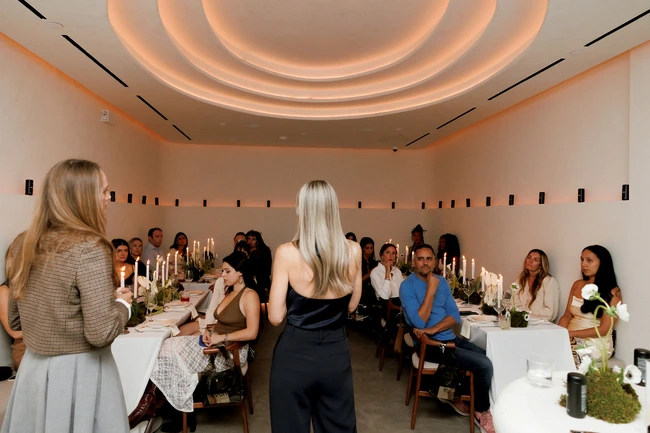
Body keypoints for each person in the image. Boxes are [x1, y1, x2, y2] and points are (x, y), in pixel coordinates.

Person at [2, 159, 133, 433]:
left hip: (33, 369)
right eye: (104, 191)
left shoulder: (22, 243)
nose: (109, 197)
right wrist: (123, 304)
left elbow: (15, 320)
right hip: (81, 370)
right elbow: (100, 333)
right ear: (82, 197)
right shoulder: (91, 247)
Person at [268, 180, 362, 433]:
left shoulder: (286, 252)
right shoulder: (353, 250)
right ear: (333, 209)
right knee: (338, 427)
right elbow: (352, 306)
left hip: (294, 351)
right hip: (335, 351)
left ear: (302, 209)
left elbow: (275, 317)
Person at [151, 252, 259, 420]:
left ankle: (177, 408)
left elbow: (252, 332)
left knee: (168, 351)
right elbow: (224, 322)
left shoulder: (249, 295)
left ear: (240, 273)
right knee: (165, 346)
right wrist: (210, 331)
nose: (223, 275)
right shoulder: (230, 292)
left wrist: (220, 338)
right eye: (222, 271)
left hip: (229, 352)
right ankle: (174, 402)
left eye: (227, 271)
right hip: (215, 342)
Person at [400, 244, 494, 433]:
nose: (425, 263)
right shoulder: (407, 286)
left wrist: (433, 329)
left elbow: (454, 315)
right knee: (484, 364)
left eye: (429, 259)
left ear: (435, 262)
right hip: (430, 346)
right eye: (420, 259)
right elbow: (419, 321)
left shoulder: (442, 282)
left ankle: (454, 393)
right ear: (413, 262)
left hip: (448, 338)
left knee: (488, 355)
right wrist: (431, 290)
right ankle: (481, 411)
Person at [558, 245, 622, 365]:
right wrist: (557, 333)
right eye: (582, 260)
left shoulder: (613, 292)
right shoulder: (577, 284)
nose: (583, 264)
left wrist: (571, 334)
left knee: (562, 355)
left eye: (589, 260)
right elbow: (567, 315)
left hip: (595, 343)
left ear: (602, 263)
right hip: (570, 337)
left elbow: (604, 329)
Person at [513, 249, 560, 321]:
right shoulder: (521, 279)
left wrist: (529, 316)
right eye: (529, 257)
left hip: (539, 323)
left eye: (536, 260)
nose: (530, 261)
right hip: (520, 321)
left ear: (541, 265)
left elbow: (550, 312)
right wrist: (521, 315)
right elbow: (514, 301)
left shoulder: (549, 281)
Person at [246, 230, 272, 301]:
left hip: (260, 281)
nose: (250, 241)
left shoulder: (260, 252)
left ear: (257, 241)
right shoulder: (245, 251)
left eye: (253, 239)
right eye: (249, 238)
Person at [359, 237, 378, 305]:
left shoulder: (374, 263)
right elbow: (356, 282)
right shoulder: (358, 262)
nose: (369, 251)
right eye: (367, 248)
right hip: (361, 292)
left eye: (371, 248)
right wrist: (369, 273)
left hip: (373, 291)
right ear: (362, 248)